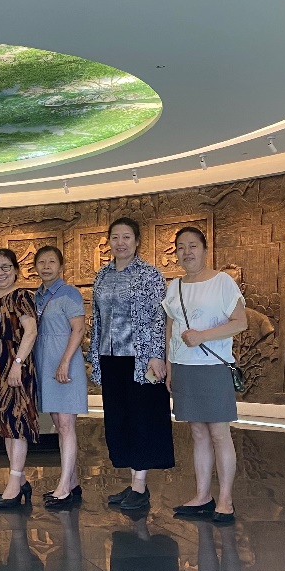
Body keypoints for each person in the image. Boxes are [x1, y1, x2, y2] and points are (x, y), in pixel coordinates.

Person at [164, 227, 246, 524]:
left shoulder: (223, 282)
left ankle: (225, 499)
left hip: (213, 367)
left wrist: (203, 336)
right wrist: (169, 366)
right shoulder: (174, 286)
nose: (187, 252)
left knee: (219, 433)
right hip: (183, 367)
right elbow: (170, 329)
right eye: (181, 247)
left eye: (193, 246)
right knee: (197, 432)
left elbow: (240, 322)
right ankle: (202, 495)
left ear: (205, 249)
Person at [90, 217, 172, 511]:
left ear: (137, 241)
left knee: (142, 418)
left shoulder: (150, 275)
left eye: (126, 237)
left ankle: (140, 486)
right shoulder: (102, 275)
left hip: (141, 360)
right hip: (110, 357)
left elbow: (158, 317)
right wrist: (95, 356)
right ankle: (133, 481)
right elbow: (97, 318)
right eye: (115, 237)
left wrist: (156, 355)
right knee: (120, 419)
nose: (120, 243)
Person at [0, 248, 39, 509]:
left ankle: (14, 485)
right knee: (5, 424)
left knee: (17, 423)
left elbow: (31, 331)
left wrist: (18, 363)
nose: (0, 273)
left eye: (5, 267)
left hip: (15, 366)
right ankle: (19, 480)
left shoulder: (21, 296)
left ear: (16, 269)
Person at [31, 245, 88, 509]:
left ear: (61, 266)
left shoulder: (69, 293)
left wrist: (65, 361)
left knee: (66, 425)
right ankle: (72, 482)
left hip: (64, 364)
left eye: (51, 262)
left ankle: (64, 487)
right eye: (41, 262)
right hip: (46, 364)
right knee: (58, 423)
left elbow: (79, 329)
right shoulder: (36, 296)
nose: (46, 267)